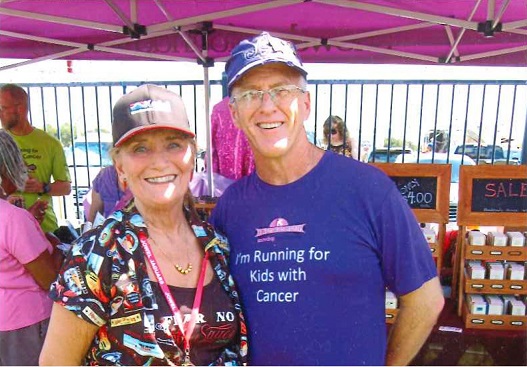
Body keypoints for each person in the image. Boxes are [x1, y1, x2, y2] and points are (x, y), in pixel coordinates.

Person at [209, 32, 444, 365]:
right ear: (233, 114)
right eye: (250, 94)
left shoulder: (368, 191)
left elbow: (426, 299)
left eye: (282, 90)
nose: (267, 105)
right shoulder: (230, 209)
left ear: (305, 105)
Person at [39, 84, 248, 366]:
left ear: (192, 153)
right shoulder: (96, 254)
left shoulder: (218, 246)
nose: (160, 162)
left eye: (173, 144)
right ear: (120, 165)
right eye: (140, 149)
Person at [0, 130, 59, 366]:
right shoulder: (11, 219)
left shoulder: (14, 218)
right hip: (25, 325)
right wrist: (56, 246)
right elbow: (48, 279)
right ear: (5, 170)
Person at [0, 83, 71, 234]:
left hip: (44, 229)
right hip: (6, 231)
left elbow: (66, 188)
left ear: (20, 108)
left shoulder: (50, 143)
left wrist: (42, 187)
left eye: (3, 108)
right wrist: (6, 196)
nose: (0, 113)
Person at [211, 96, 255, 180]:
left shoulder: (219, 108)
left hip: (226, 179)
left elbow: (212, 149)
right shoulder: (264, 104)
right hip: (255, 175)